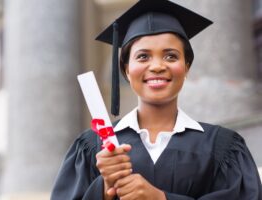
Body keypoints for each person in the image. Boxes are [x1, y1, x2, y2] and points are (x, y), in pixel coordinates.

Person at [50, 0, 262, 199]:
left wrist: (161, 198)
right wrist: (104, 189)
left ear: (186, 67)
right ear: (126, 70)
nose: (158, 66)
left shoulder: (223, 148)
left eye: (171, 56)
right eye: (143, 56)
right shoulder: (92, 148)